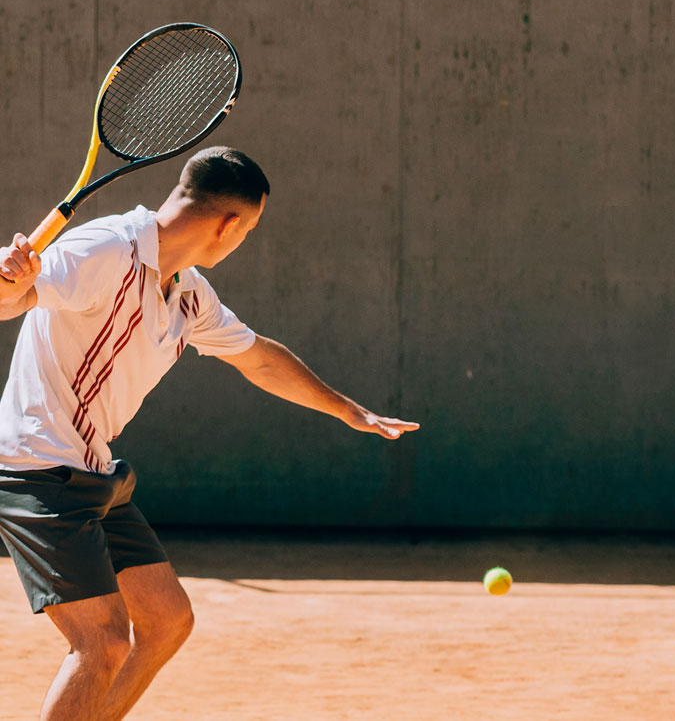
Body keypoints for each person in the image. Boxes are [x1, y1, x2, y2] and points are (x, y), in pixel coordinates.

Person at [0, 146, 419, 721]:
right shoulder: (104, 248)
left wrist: (349, 410)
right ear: (229, 225)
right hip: (34, 471)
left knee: (167, 621)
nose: (245, 239)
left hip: (91, 470)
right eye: (250, 229)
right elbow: (15, 299)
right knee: (101, 644)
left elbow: (260, 359)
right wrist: (9, 276)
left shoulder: (190, 294)